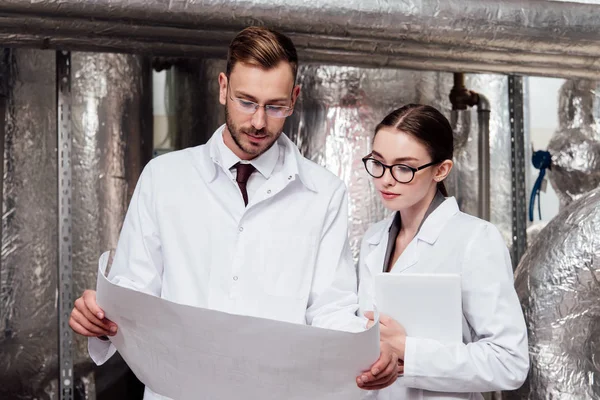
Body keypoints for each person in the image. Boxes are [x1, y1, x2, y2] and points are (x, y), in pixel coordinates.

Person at [68, 26, 398, 399]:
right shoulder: (164, 178)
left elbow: (330, 308)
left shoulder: (324, 193)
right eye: (246, 101)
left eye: (274, 106)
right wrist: (99, 317)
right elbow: (134, 295)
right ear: (223, 87)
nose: (259, 122)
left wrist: (366, 353)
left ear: (294, 98)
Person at [357, 104, 529, 400]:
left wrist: (409, 352)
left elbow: (509, 362)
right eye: (378, 162)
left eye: (403, 168)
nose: (385, 179)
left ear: (441, 170)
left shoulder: (475, 239)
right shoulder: (373, 240)